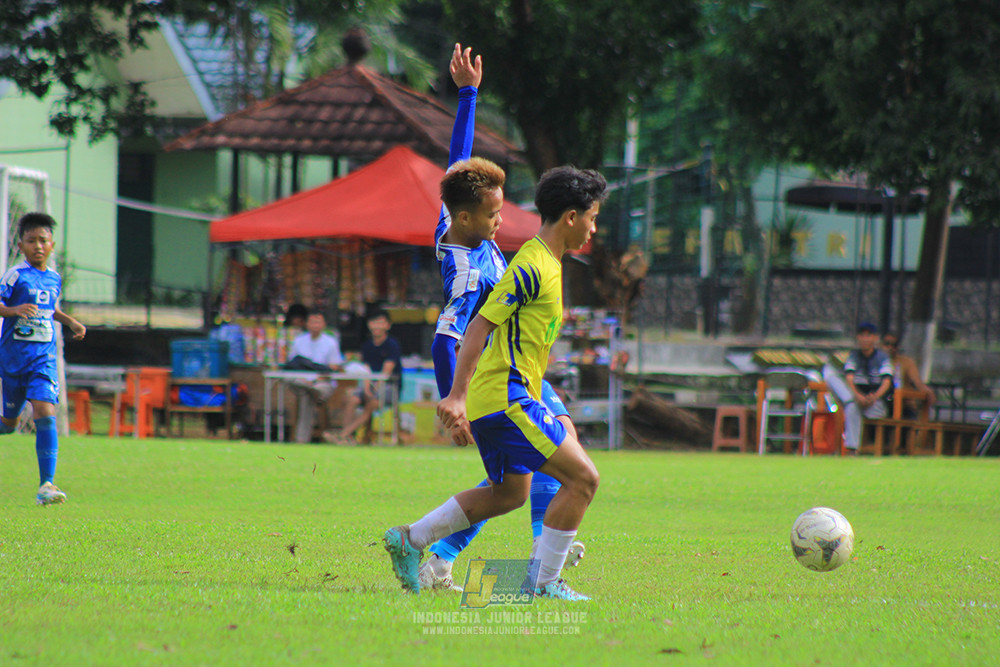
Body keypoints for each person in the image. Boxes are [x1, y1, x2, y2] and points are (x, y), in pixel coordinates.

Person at [383, 165, 608, 600]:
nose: (593, 229)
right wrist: (457, 396)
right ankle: (544, 583)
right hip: (507, 399)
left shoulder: (547, 262)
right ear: (570, 217)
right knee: (583, 479)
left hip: (505, 396)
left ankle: (409, 541)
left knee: (509, 493)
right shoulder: (532, 264)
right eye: (592, 218)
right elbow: (478, 327)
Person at [418, 43, 583, 592]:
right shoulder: (466, 274)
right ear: (468, 217)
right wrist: (453, 403)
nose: (501, 219)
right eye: (494, 213)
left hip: (509, 372)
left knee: (524, 471)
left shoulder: (456, 213)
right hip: (491, 378)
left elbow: (458, 161)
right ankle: (536, 561)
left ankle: (473, 552)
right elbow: (447, 337)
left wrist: (467, 95)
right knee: (523, 476)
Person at [0, 213, 86, 505]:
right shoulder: (15, 275)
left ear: (52, 245)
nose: (38, 245)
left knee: (45, 413)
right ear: (21, 244)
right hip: (13, 360)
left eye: (43, 240)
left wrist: (70, 321)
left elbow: (49, 309)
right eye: (31, 240)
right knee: (8, 425)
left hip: (43, 360)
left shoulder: (54, 278)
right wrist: (14, 310)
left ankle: (46, 485)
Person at [332, 309, 402, 443]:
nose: (377, 326)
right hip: (370, 384)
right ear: (369, 325)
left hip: (389, 386)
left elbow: (386, 373)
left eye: (381, 323)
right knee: (352, 398)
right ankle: (348, 438)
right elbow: (366, 371)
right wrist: (366, 389)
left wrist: (373, 390)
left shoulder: (392, 345)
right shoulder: (367, 346)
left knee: (373, 402)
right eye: (374, 323)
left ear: (388, 325)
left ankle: (343, 434)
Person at [286, 311, 344, 443]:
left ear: (324, 324)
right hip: (300, 381)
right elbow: (291, 365)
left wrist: (317, 379)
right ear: (307, 324)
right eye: (312, 322)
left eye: (318, 322)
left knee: (307, 395)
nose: (315, 325)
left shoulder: (330, 342)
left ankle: (301, 439)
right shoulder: (299, 340)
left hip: (322, 383)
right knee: (291, 380)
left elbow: (334, 368)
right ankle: (309, 387)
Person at [842, 321, 893, 453]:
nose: (865, 339)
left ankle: (875, 449)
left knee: (868, 411)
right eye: (862, 335)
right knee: (851, 408)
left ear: (875, 338)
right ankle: (852, 449)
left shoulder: (882, 357)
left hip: (876, 402)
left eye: (868, 335)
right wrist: (858, 395)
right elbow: (849, 378)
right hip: (858, 399)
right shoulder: (853, 356)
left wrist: (874, 397)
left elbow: (886, 381)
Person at [882, 332, 936, 418]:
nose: (890, 348)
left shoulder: (906, 362)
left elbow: (918, 382)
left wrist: (928, 391)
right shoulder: (876, 361)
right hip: (881, 403)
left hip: (904, 404)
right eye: (887, 344)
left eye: (894, 345)